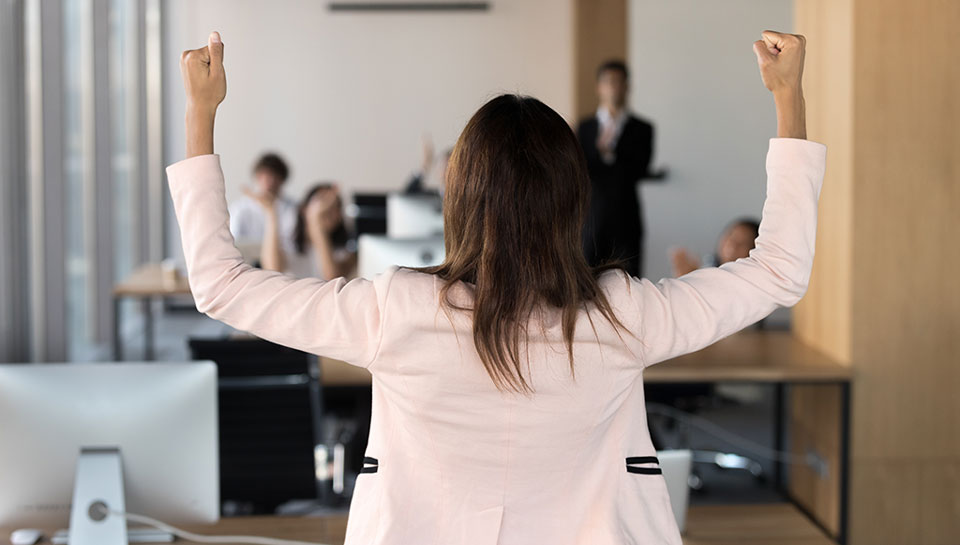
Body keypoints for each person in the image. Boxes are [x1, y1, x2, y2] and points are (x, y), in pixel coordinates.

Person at [171, 30, 821, 545]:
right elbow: (778, 270)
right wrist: (788, 98)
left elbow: (221, 285)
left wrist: (201, 116)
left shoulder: (394, 310)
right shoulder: (622, 315)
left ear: (460, 198)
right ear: (573, 200)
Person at [577, 60, 657, 277]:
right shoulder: (585, 128)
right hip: (592, 216)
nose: (613, 87)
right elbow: (579, 170)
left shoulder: (643, 128)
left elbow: (640, 168)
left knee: (629, 279)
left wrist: (610, 152)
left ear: (627, 86)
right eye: (608, 81)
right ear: (599, 87)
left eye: (618, 82)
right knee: (586, 278)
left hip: (626, 216)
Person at [246, 182, 357, 280]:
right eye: (321, 202)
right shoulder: (290, 243)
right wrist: (271, 213)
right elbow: (272, 269)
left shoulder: (348, 251)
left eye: (334, 206)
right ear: (304, 209)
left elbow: (333, 278)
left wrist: (316, 224)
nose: (325, 209)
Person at [227, 152, 297, 260]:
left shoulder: (292, 208)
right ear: (257, 177)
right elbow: (233, 243)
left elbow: (290, 248)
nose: (270, 182)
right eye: (266, 176)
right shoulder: (240, 208)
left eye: (275, 176)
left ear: (282, 180)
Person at [670, 218, 762, 277]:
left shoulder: (747, 281)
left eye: (743, 242)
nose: (733, 244)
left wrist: (692, 280)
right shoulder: (709, 266)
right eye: (731, 236)